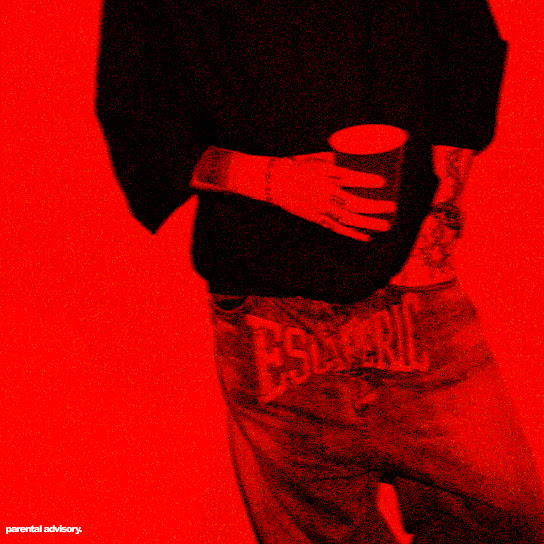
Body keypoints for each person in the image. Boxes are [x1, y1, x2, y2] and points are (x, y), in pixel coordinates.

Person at [94, 0, 544, 542]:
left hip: (411, 292)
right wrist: (272, 180)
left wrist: (438, 218)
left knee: (505, 524)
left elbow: (467, 52)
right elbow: (136, 116)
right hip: (267, 309)